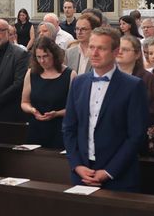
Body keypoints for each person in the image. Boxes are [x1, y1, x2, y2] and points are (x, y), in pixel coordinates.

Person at [62, 27, 149, 191]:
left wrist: (109, 171)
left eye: (101, 48)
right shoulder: (78, 83)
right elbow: (69, 128)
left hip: (118, 176)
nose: (94, 53)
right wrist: (77, 165)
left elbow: (136, 135)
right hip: (82, 174)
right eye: (91, 47)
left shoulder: (133, 86)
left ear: (116, 52)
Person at [20, 36, 70, 149]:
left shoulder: (69, 75)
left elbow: (75, 108)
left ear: (54, 54)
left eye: (46, 56)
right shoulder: (31, 73)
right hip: (36, 127)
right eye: (38, 57)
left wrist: (56, 113)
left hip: (59, 129)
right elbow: (24, 102)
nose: (42, 61)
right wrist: (32, 110)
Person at [116, 33, 154, 127]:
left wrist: (131, 114)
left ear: (137, 54)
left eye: (125, 49)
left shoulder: (147, 78)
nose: (120, 52)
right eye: (118, 48)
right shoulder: (109, 76)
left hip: (137, 129)